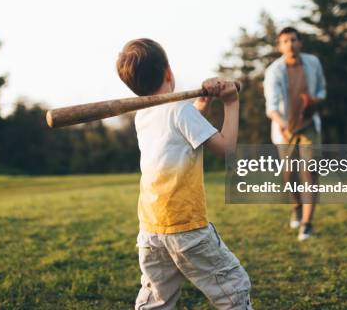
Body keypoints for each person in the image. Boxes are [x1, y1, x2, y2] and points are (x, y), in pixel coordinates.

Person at [116, 38, 253, 309]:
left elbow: (179, 135)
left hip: (152, 229)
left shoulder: (143, 115)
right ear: (168, 72)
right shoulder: (180, 111)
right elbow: (226, 149)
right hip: (186, 228)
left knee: (158, 298)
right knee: (234, 288)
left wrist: (201, 104)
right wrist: (231, 102)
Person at [263, 27, 326, 241]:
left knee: (310, 172)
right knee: (290, 175)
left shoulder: (313, 63)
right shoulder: (274, 71)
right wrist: (283, 125)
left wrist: (314, 101)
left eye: (293, 40)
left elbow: (322, 91)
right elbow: (271, 106)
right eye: (285, 41)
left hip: (309, 127)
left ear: (300, 43)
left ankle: (307, 223)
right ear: (279, 46)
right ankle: (296, 207)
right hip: (284, 129)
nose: (290, 44)